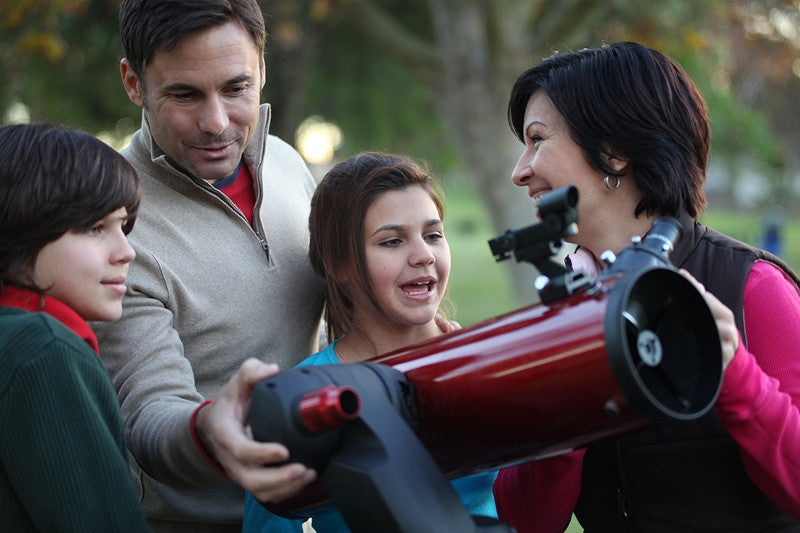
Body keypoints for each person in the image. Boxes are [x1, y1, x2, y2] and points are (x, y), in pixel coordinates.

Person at [493, 41, 800, 532]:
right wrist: (566, 408)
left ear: (613, 152)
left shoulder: (754, 289)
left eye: (537, 140)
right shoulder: (567, 304)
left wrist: (737, 376)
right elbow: (525, 521)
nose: (519, 171)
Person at [90, 1, 325, 531]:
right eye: (184, 95)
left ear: (262, 67)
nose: (217, 123)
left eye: (236, 88)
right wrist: (208, 429)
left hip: (315, 509)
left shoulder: (287, 163)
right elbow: (147, 414)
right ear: (133, 83)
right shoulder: (111, 228)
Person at [241, 152, 499, 532]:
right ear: (338, 263)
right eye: (392, 241)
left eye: (433, 235)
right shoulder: (303, 399)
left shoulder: (483, 359)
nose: (423, 256)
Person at [0, 123, 150, 531]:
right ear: (23, 228)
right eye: (94, 228)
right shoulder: (43, 351)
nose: (127, 251)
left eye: (123, 226)